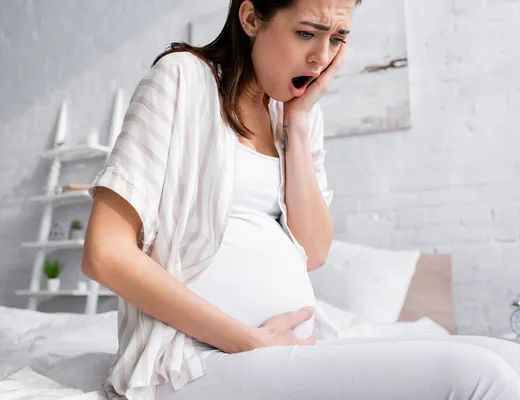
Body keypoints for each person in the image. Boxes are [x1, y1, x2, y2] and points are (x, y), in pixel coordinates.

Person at [82, 0, 520, 399]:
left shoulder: (290, 112)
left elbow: (312, 250)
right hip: (190, 361)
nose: (321, 56)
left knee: (509, 358)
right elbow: (105, 254)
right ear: (251, 18)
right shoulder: (181, 77)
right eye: (306, 34)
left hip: (280, 352)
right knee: (479, 377)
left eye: (338, 38)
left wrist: (298, 119)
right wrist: (246, 340)